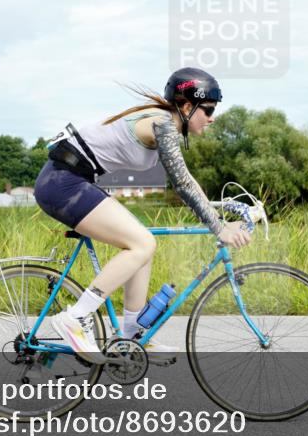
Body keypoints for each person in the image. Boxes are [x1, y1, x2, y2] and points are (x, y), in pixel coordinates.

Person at [33, 67, 252, 363]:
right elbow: (183, 184)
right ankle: (76, 317)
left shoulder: (164, 122)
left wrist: (223, 209)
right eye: (209, 109)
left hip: (73, 181)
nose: (212, 118)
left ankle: (132, 334)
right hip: (62, 183)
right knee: (142, 243)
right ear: (187, 107)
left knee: (142, 245)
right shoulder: (162, 123)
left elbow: (187, 181)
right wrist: (219, 228)